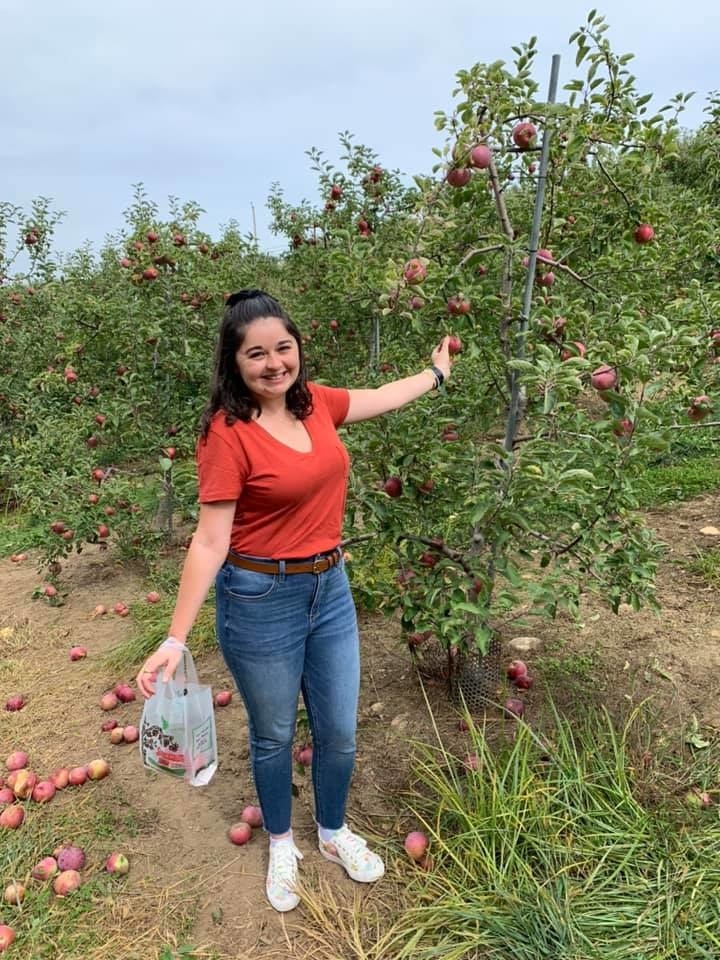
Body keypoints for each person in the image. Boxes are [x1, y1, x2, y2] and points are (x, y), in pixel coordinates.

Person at [136, 288, 453, 913]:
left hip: (329, 589)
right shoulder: (226, 435)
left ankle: (332, 832)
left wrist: (436, 374)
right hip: (259, 599)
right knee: (275, 733)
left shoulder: (315, 406)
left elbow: (382, 397)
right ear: (234, 363)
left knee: (338, 729)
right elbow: (208, 539)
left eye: (284, 347)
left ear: (298, 348)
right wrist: (175, 639)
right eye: (257, 354)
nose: (274, 363)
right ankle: (282, 842)